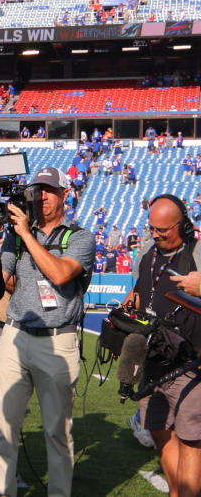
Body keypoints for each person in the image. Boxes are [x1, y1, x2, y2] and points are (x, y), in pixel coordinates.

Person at [0, 167, 95, 497]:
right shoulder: (17, 234)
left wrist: (25, 235)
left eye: (50, 190)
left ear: (65, 194)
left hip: (58, 339)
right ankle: (4, 491)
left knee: (57, 431)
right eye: (38, 190)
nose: (43, 196)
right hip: (16, 334)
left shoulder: (80, 237)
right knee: (5, 426)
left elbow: (61, 274)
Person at [125, 195, 201, 497]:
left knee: (191, 440)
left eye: (163, 230)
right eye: (152, 228)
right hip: (153, 360)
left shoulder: (198, 251)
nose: (156, 235)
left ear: (182, 225)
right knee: (158, 429)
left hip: (192, 363)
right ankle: (177, 491)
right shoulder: (148, 251)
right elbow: (141, 289)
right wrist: (128, 309)